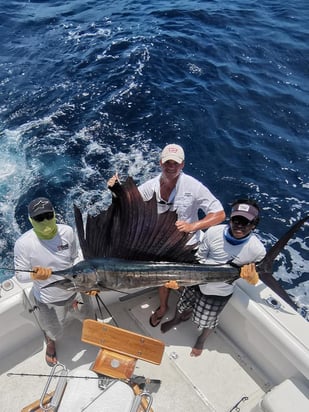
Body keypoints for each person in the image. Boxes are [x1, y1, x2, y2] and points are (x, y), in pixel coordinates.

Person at [108, 143, 225, 327]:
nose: (171, 167)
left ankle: (186, 307)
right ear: (160, 163)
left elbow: (219, 214)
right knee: (164, 281)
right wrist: (116, 191)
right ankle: (163, 307)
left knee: (191, 282)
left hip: (188, 246)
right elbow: (129, 204)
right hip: (164, 245)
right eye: (167, 163)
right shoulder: (151, 186)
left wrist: (193, 225)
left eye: (175, 163)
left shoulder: (193, 186)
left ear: (182, 165)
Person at [160, 198, 266, 357]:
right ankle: (177, 318)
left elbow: (254, 275)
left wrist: (252, 278)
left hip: (219, 293)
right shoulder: (213, 232)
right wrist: (181, 281)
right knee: (182, 304)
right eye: (236, 220)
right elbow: (199, 259)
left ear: (254, 225)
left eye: (246, 222)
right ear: (230, 218)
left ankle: (202, 339)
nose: (240, 226)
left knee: (206, 320)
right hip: (196, 282)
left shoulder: (258, 250)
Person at [14, 197, 96, 366]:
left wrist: (87, 283)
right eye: (39, 218)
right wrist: (34, 275)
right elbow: (20, 276)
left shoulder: (67, 232)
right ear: (31, 220)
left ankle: (93, 333)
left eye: (48, 215)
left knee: (89, 318)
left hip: (76, 290)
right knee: (54, 332)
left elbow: (75, 258)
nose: (45, 221)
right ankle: (50, 343)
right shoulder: (23, 244)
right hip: (48, 300)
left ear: (54, 215)